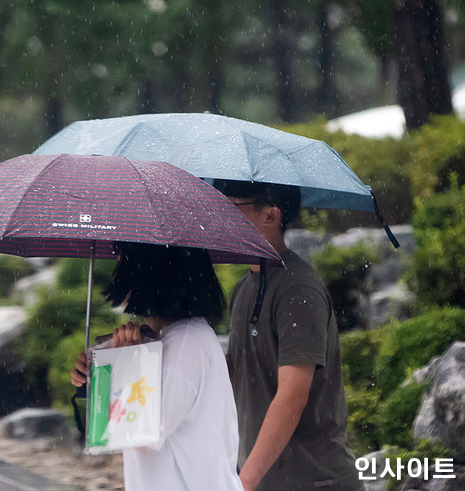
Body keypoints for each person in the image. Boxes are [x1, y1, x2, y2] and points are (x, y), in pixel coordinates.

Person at [214, 180, 363, 491]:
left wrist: (244, 482)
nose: (220, 217)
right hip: (268, 480)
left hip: (315, 480)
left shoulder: (298, 288)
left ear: (271, 215)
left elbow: (292, 396)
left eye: (231, 208)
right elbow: (238, 375)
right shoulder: (244, 287)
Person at [70, 242, 244, 491]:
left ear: (148, 272)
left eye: (124, 258)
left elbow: (136, 432)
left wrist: (124, 365)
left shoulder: (185, 345)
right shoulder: (174, 338)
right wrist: (93, 377)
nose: (119, 265)